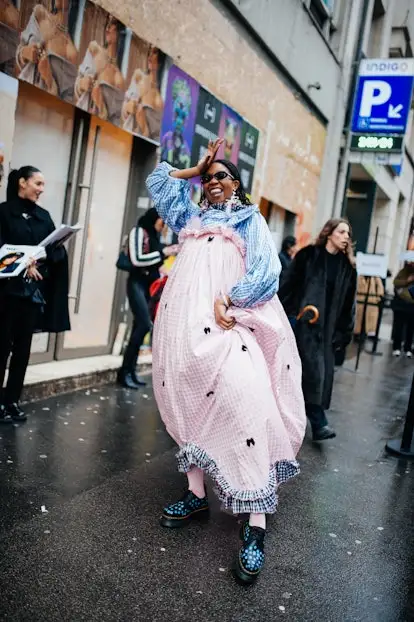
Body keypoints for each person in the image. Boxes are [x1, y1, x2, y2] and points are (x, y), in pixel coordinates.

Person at [146, 139, 306, 585]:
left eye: (222, 176)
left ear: (236, 184)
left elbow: (267, 271)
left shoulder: (248, 219)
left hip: (228, 326)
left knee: (246, 403)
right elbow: (157, 181)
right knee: (194, 404)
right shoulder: (191, 217)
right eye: (209, 177)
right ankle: (196, 494)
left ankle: (256, 524)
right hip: (183, 332)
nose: (213, 182)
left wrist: (232, 300)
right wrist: (191, 169)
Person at [0, 166, 70, 423]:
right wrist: (22, 262)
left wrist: (51, 251)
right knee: (1, 347)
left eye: (43, 185)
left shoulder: (43, 216)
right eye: (38, 183)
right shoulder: (4, 213)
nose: (41, 189)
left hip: (31, 294)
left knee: (22, 350)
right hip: (6, 293)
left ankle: (12, 401)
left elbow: (53, 252)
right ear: (22, 182)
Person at [279, 219, 357, 442]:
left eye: (348, 233)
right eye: (341, 231)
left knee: (316, 376)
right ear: (329, 233)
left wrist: (344, 333)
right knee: (309, 373)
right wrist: (291, 316)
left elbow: (349, 304)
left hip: (329, 332)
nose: (345, 237)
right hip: (304, 326)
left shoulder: (347, 267)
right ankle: (319, 422)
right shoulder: (308, 255)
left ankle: (301, 420)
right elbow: (288, 286)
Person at [117, 208, 172, 390]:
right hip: (136, 283)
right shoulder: (138, 232)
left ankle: (131, 371)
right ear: (154, 218)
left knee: (139, 326)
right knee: (144, 325)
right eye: (162, 221)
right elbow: (137, 259)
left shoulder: (155, 237)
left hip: (148, 285)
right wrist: (164, 253)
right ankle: (124, 372)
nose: (163, 226)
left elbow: (155, 262)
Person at [391, 263, 414, 357]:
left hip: (412, 306)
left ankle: (408, 348)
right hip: (401, 305)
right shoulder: (404, 271)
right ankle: (397, 347)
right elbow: (396, 282)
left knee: (411, 328)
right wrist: (408, 280)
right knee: (398, 327)